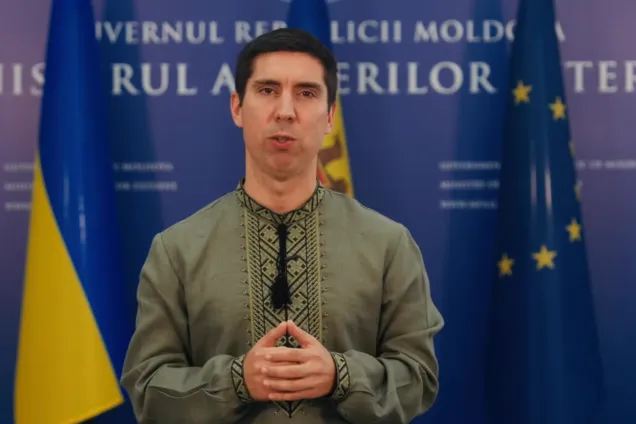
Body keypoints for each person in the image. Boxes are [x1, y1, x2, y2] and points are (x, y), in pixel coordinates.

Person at [120, 27, 444, 424]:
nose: (285, 111)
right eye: (267, 90)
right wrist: (236, 381)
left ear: (330, 116)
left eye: (306, 93)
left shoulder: (389, 244)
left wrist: (340, 375)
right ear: (237, 107)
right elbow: (147, 388)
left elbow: (419, 378)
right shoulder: (176, 251)